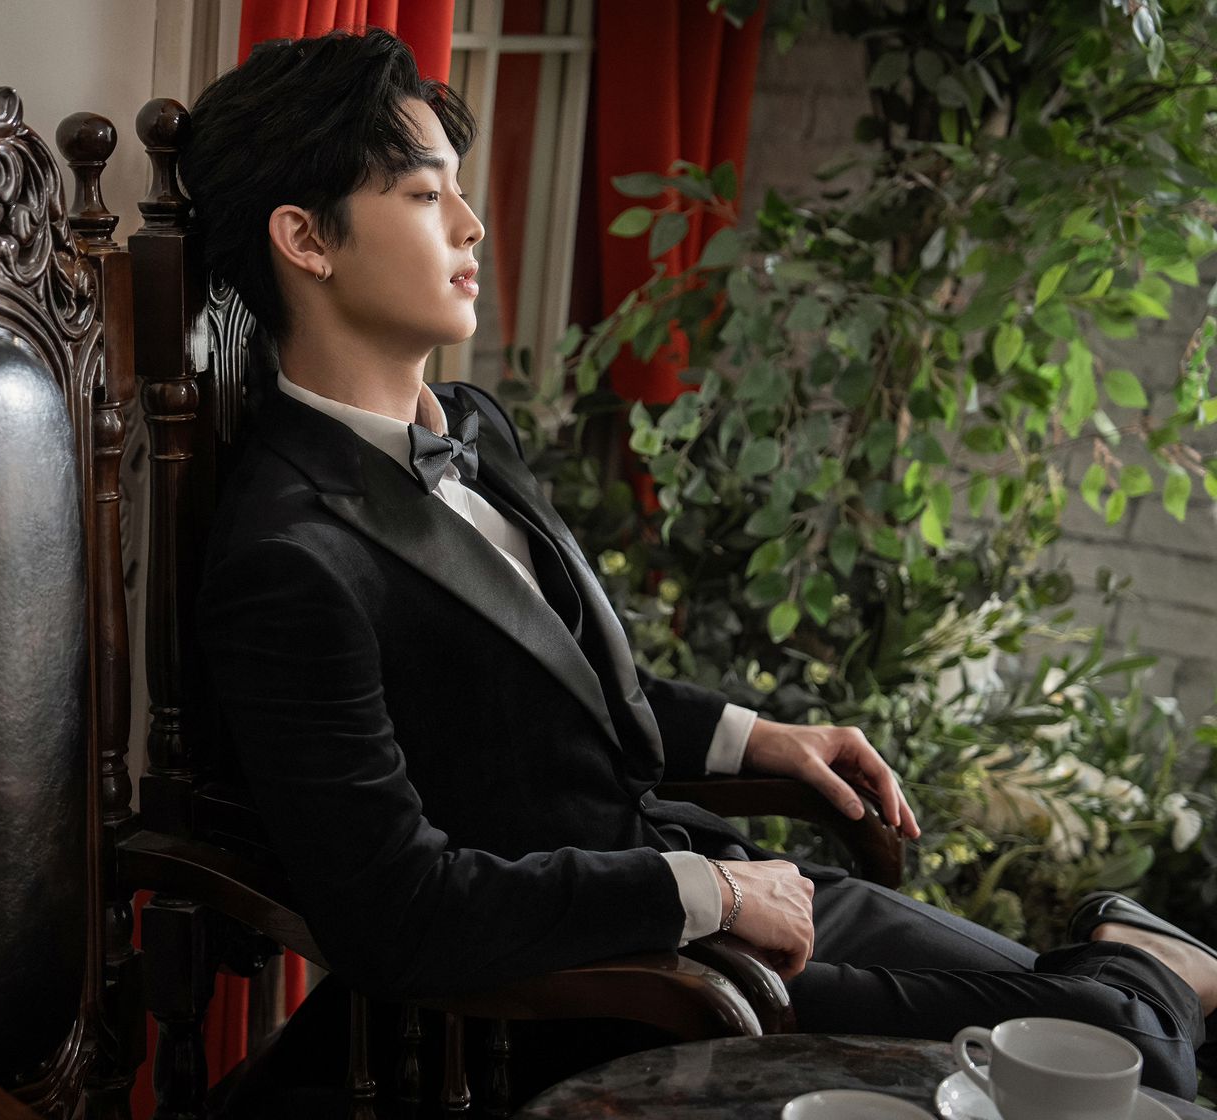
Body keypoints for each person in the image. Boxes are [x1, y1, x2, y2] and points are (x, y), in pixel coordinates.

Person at [183, 26, 1215, 1110]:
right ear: (306, 238)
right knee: (1122, 1049)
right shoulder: (285, 558)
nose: (472, 224)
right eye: (425, 195)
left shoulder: (471, 425)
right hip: (592, 984)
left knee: (1118, 1044)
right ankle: (1142, 955)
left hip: (701, 888)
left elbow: (553, 691)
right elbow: (396, 909)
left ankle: (1137, 962)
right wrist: (706, 892)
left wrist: (758, 737)